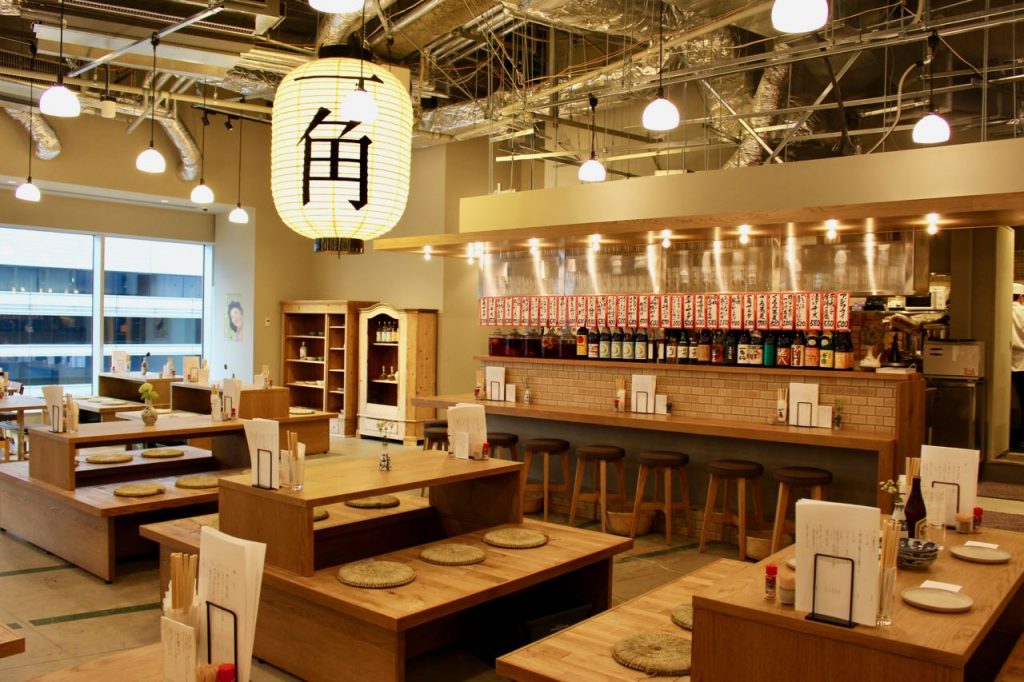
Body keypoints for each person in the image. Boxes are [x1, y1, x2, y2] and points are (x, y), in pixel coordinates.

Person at [1012, 283, 1024, 448]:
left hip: (1002, 363)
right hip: (1022, 364)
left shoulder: (999, 311)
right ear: (1021, 296)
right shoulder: (1022, 312)